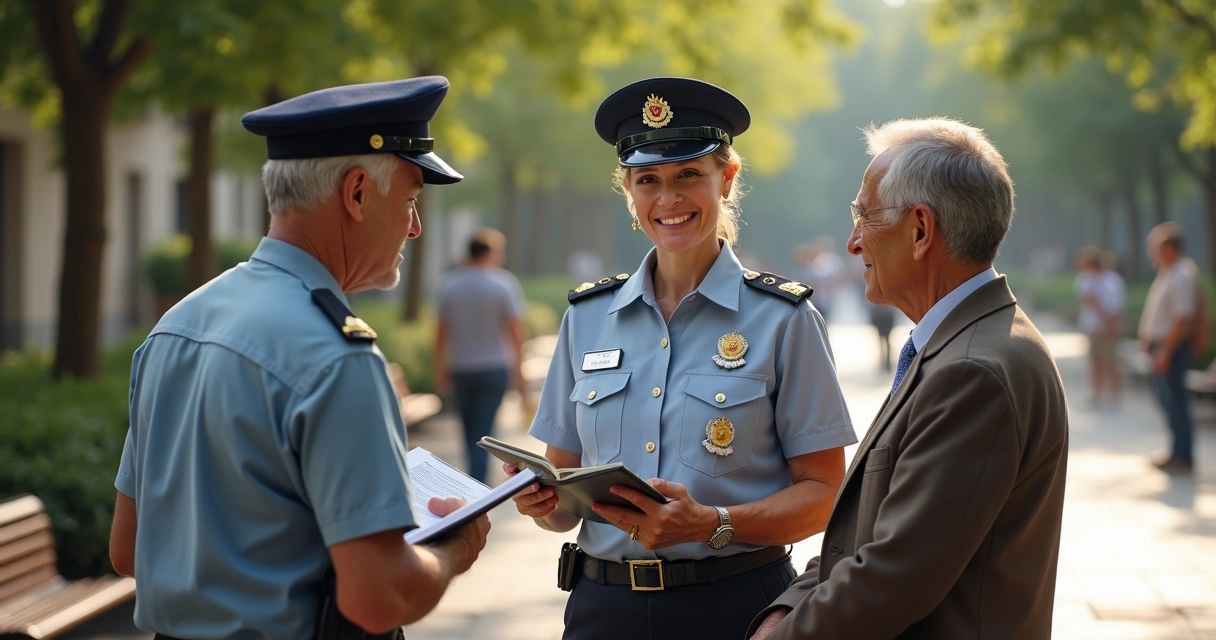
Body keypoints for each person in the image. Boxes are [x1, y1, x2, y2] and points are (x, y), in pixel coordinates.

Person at [108, 77, 490, 638]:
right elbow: (377, 599)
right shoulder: (337, 356)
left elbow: (129, 549)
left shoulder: (176, 326)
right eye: (410, 200)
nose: (415, 227)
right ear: (356, 192)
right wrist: (453, 549)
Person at [506, 77, 856, 640]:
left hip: (735, 607)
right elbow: (565, 503)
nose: (667, 200)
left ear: (728, 177)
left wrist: (714, 524)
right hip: (603, 610)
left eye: (688, 175)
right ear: (630, 192)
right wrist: (540, 500)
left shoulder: (784, 319)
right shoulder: (587, 318)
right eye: (648, 181)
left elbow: (824, 495)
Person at [748, 117, 1069, 640]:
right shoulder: (963, 345)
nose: (853, 242)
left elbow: (892, 577)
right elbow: (863, 537)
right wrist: (786, 609)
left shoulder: (971, 372)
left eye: (864, 215)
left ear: (920, 230)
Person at [434, 227, 528, 483]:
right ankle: (477, 481)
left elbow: (441, 333)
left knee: (468, 430)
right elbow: (516, 332)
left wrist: (440, 369)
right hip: (494, 367)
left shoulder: (449, 284)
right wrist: (520, 373)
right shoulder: (504, 283)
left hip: (461, 368)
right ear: (492, 253)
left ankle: (474, 479)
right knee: (484, 429)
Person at [1139, 222, 1199, 473]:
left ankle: (1183, 455)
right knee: (1168, 401)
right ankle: (1176, 451)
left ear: (1171, 248)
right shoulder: (1169, 272)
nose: (1153, 252)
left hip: (1170, 349)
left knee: (1176, 401)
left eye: (1157, 246)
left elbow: (1182, 319)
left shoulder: (1181, 275)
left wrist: (1165, 351)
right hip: (1161, 348)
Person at [1074, 246, 1125, 407]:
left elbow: (1117, 305)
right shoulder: (1085, 279)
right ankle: (1097, 393)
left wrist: (1111, 323)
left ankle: (1114, 394)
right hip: (1093, 326)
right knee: (1095, 361)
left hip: (1109, 326)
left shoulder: (1113, 280)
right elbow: (1088, 300)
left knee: (1111, 361)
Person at [867, 301, 896, 371]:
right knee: (884, 341)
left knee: (885, 341)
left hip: (885, 317)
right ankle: (884, 362)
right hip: (882, 317)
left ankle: (886, 362)